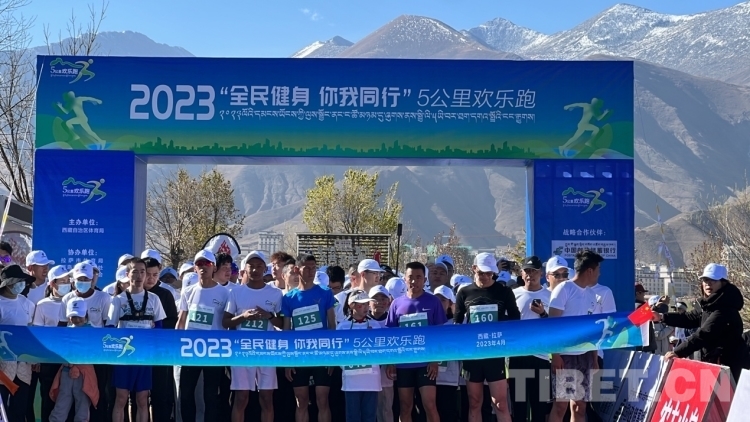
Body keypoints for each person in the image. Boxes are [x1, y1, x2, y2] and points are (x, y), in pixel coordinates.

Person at [653, 263, 750, 381]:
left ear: (723, 283)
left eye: (713, 280)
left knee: (723, 394)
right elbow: (689, 318)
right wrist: (662, 317)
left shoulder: (725, 309)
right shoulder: (708, 305)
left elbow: (704, 334)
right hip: (714, 364)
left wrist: (678, 352)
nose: (708, 283)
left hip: (727, 367)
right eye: (705, 280)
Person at [454, 252, 519, 422]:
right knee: (475, 402)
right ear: (474, 269)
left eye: (489, 273)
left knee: (500, 403)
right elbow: (457, 323)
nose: (485, 277)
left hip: (495, 354)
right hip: (473, 355)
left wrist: (498, 324)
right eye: (481, 273)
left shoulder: (504, 291)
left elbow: (515, 319)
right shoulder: (464, 292)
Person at [223, 250, 283, 422]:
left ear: (265, 268)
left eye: (259, 266)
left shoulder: (275, 293)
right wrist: (243, 317)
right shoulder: (235, 292)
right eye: (251, 266)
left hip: (267, 353)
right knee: (241, 398)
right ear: (246, 268)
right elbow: (225, 322)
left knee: (266, 398)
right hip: (242, 353)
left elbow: (283, 324)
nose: (255, 270)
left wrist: (269, 316)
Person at [386, 261, 447, 422]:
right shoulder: (396, 304)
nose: (414, 281)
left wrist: (434, 360)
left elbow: (439, 334)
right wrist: (391, 361)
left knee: (429, 405)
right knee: (405, 406)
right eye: (410, 277)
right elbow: (391, 335)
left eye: (418, 277)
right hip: (404, 364)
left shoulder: (433, 301)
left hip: (426, 363)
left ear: (425, 280)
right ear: (404, 279)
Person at [107, 258, 166, 422]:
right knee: (121, 398)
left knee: (142, 399)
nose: (139, 276)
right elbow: (110, 328)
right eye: (135, 272)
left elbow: (159, 327)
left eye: (142, 271)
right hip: (124, 356)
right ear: (128, 274)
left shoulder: (154, 299)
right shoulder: (118, 299)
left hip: (144, 356)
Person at [548, 250, 603, 422]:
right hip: (565, 356)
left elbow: (591, 330)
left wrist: (594, 358)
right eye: (598, 270)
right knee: (561, 406)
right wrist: (555, 355)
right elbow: (552, 325)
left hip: (585, 356)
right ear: (590, 271)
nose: (599, 274)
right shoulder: (564, 289)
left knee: (580, 407)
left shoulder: (592, 294)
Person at [281, 254, 336, 422]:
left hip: (321, 355)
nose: (311, 271)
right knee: (301, 401)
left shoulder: (325, 293)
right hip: (299, 356)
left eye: (314, 268)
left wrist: (331, 356)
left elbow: (332, 326)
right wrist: (288, 361)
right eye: (307, 268)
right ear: (297, 269)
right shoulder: (289, 298)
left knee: (322, 400)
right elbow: (286, 330)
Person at [176, 249, 229, 422]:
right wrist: (176, 344)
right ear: (194, 268)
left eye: (207, 263)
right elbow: (181, 321)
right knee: (186, 393)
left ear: (214, 267)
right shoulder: (188, 291)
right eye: (199, 263)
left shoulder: (224, 293)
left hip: (214, 351)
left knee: (210, 395)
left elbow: (228, 322)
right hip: (191, 350)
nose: (203, 267)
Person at [57, 261, 112, 422]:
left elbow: (108, 328)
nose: (83, 282)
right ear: (73, 280)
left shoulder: (103, 297)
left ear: (92, 278)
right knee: (65, 398)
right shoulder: (67, 298)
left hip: (96, 357)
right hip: (70, 359)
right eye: (79, 279)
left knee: (92, 396)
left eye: (86, 279)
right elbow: (61, 327)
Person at [510, 256, 552, 422]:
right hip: (519, 357)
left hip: (542, 358)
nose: (530, 275)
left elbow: (555, 328)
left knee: (540, 408)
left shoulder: (550, 296)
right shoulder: (513, 295)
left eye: (534, 271)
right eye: (527, 271)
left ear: (541, 273)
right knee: (519, 407)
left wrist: (543, 314)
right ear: (521, 274)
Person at [32, 265, 71, 421]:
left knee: (69, 398)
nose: (67, 284)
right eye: (63, 281)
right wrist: (37, 359)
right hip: (48, 359)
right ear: (53, 283)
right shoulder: (42, 305)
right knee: (48, 397)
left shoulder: (74, 301)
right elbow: (38, 334)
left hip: (70, 359)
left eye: (68, 281)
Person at [49, 298, 98, 422]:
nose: (77, 319)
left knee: (83, 406)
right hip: (66, 371)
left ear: (86, 315)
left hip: (84, 373)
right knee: (61, 405)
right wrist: (70, 364)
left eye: (79, 316)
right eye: (73, 316)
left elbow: (94, 352)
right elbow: (60, 351)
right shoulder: (64, 331)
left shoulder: (93, 331)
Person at [142, 257, 179, 421]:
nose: (150, 279)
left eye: (155, 275)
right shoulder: (132, 294)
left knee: (161, 395)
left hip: (160, 352)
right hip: (139, 352)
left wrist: (157, 325)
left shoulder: (165, 294)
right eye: (147, 274)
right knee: (139, 395)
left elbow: (173, 321)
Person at [337, 290, 381, 422]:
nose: (366, 307)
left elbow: (382, 351)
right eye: (362, 304)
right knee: (352, 417)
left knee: (370, 417)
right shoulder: (342, 326)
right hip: (351, 380)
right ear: (352, 305)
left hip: (371, 380)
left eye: (367, 303)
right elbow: (338, 353)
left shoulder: (375, 325)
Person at [0, 264, 36, 421]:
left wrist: (34, 357)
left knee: (20, 407)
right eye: (17, 282)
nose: (20, 285)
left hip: (23, 364)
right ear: (8, 284)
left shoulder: (27, 304)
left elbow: (31, 331)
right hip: (3, 364)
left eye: (22, 281)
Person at [433, 285, 460, 422]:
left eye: (443, 300)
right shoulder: (428, 322)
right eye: (436, 299)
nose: (439, 303)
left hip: (449, 378)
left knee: (447, 413)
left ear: (450, 303)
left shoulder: (456, 324)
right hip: (429, 378)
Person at [367, 285, 393, 422]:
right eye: (375, 298)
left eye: (383, 298)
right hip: (366, 374)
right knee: (369, 411)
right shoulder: (363, 321)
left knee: (386, 408)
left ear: (388, 302)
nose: (379, 302)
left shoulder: (392, 321)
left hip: (386, 374)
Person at [634, 283, 656, 354]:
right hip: (645, 346)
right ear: (638, 293)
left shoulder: (629, 306)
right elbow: (654, 318)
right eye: (643, 292)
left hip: (636, 344)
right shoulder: (642, 307)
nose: (644, 295)